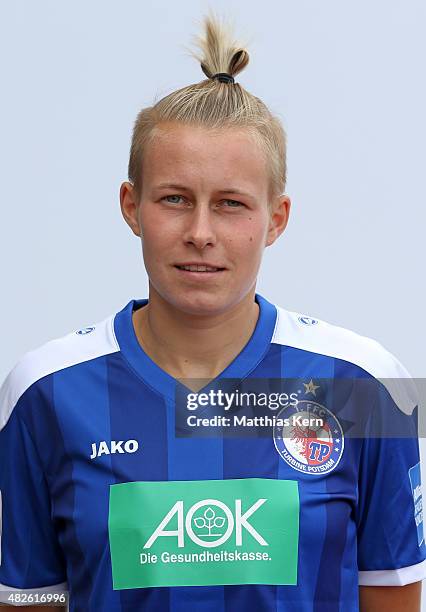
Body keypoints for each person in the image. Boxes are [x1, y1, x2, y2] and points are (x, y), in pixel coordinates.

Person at [0, 9, 425, 612]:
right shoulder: (45, 391)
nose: (201, 232)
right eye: (175, 199)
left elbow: (394, 598)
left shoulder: (365, 384)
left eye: (230, 204)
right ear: (131, 206)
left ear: (276, 218)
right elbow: (28, 601)